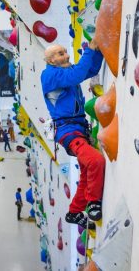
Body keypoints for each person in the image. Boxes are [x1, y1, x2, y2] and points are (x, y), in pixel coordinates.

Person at [41, 40, 105, 228]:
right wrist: (89, 50)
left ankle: (75, 211)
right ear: (52, 60)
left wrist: (99, 51)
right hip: (69, 131)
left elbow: (89, 70)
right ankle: (93, 203)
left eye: (65, 52)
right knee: (95, 161)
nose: (67, 55)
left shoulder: (62, 73)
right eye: (61, 54)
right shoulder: (50, 75)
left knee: (87, 170)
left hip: (76, 128)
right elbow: (78, 74)